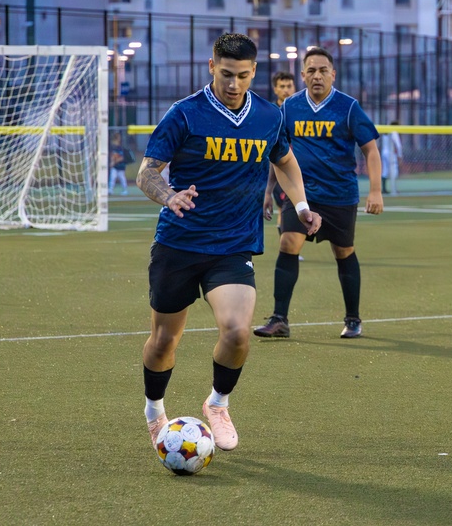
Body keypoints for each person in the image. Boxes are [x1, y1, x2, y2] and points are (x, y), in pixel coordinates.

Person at [136, 33, 322, 452]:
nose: (233, 83)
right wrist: (170, 196)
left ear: (254, 71)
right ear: (211, 67)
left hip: (233, 245)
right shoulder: (184, 114)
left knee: (238, 332)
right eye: (225, 74)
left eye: (242, 75)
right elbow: (147, 173)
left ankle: (217, 404)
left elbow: (286, 161)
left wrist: (302, 204)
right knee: (165, 341)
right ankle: (154, 411)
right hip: (179, 244)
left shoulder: (269, 117)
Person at [253, 46, 383, 340]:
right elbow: (278, 153)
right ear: (302, 75)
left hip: (339, 194)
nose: (317, 76)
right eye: (311, 70)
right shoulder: (289, 108)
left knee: (343, 252)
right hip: (302, 195)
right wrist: (268, 189)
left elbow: (371, 150)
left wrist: (375, 190)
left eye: (323, 70)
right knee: (288, 244)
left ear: (333, 74)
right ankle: (279, 319)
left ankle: (353, 319)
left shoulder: (348, 107)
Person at [264, 70, 297, 232]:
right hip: (275, 166)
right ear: (275, 89)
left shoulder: (299, 111)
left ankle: (289, 245)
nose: (286, 90)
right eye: (282, 86)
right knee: (286, 204)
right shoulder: (270, 113)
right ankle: (288, 246)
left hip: (295, 166)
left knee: (290, 205)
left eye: (289, 86)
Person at [381, 120, 403, 195]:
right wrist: (400, 155)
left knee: (385, 170)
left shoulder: (385, 132)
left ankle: (383, 189)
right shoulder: (393, 132)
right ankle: (394, 189)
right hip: (390, 153)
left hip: (384, 152)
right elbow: (398, 145)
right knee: (394, 170)